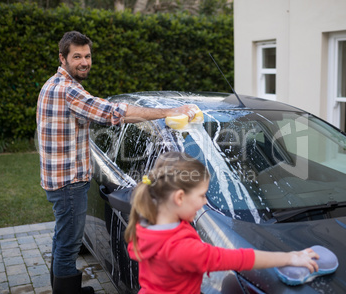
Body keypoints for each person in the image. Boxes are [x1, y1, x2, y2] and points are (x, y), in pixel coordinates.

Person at [36, 31, 198, 294]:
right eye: (77, 56)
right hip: (68, 183)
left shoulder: (53, 84)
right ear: (63, 58)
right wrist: (168, 112)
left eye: (87, 56)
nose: (84, 62)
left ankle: (62, 287)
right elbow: (114, 112)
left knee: (62, 237)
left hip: (57, 179)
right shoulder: (67, 90)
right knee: (68, 243)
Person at [125, 152, 320, 294]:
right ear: (179, 198)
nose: (204, 202)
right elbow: (239, 259)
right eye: (202, 195)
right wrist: (290, 258)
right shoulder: (181, 249)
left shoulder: (147, 224)